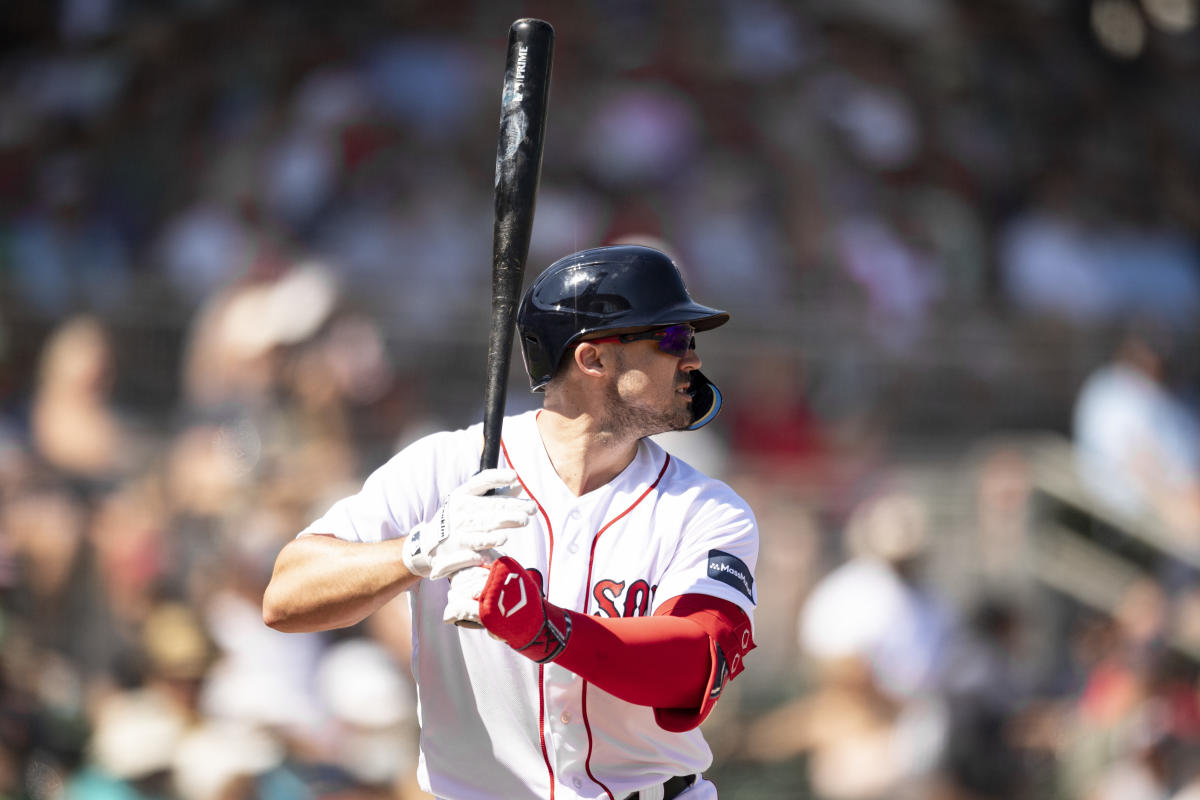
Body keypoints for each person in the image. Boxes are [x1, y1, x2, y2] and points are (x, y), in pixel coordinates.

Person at [262, 244, 759, 800]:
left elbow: (694, 663)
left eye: (689, 341)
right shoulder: (449, 466)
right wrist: (421, 550)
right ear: (593, 360)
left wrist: (545, 629)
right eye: (671, 339)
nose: (691, 358)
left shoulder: (709, 509)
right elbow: (286, 595)